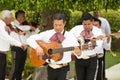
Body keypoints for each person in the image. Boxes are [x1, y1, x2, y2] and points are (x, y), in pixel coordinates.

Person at [27, 13, 81, 80]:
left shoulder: (70, 36)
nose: (58, 27)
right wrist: (37, 47)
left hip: (63, 69)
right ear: (53, 23)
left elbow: (79, 54)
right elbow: (29, 39)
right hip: (51, 68)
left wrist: (78, 52)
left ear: (64, 23)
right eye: (55, 25)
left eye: (60, 25)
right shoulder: (48, 33)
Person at [70, 12, 104, 80]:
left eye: (89, 24)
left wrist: (93, 43)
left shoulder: (98, 31)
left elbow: (99, 46)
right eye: (84, 24)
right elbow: (68, 38)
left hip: (92, 60)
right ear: (82, 22)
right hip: (79, 60)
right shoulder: (76, 29)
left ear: (92, 22)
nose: (87, 26)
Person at [0, 10, 24, 80]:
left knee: (2, 74)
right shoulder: (1, 25)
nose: (11, 20)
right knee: (1, 75)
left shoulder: (4, 25)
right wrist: (20, 44)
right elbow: (7, 38)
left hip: (2, 54)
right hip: (0, 54)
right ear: (6, 18)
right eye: (10, 18)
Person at [9, 10, 30, 80]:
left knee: (21, 69)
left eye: (24, 16)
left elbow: (26, 37)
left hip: (24, 49)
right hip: (16, 49)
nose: (23, 18)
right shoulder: (12, 24)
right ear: (17, 16)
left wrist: (26, 45)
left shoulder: (24, 26)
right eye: (22, 16)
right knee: (15, 68)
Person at [93, 10, 111, 80]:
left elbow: (108, 33)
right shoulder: (89, 22)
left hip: (102, 45)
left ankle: (102, 76)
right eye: (95, 12)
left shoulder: (104, 21)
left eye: (97, 12)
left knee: (101, 63)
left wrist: (107, 40)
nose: (96, 13)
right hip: (92, 49)